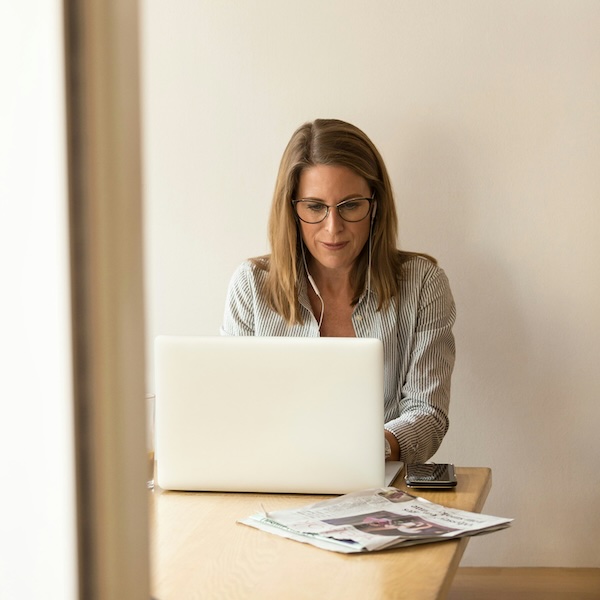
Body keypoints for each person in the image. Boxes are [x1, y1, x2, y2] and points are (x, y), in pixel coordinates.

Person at [221, 118, 456, 463]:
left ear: (374, 205)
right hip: (273, 483)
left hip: (381, 490)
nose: (333, 228)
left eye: (350, 206)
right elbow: (233, 413)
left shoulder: (422, 284)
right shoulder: (251, 286)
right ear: (292, 209)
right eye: (315, 207)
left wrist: (363, 451)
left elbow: (428, 415)